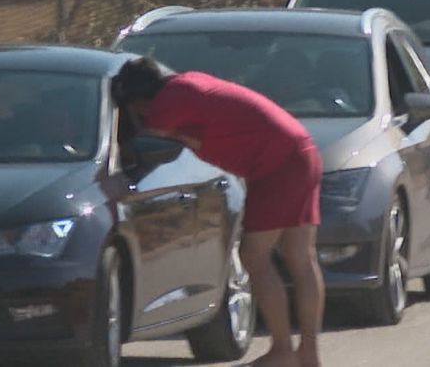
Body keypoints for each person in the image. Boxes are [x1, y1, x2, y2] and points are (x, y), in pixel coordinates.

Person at [111, 58, 324, 367]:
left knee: (255, 257)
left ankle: (282, 351)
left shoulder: (165, 106)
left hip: (276, 166)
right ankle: (308, 355)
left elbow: (138, 143)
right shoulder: (184, 86)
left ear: (138, 101)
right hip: (300, 151)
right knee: (300, 258)